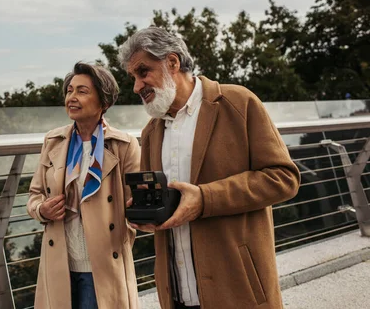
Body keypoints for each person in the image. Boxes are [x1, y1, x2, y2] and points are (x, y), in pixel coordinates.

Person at [118, 27, 300, 309]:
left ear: (172, 62)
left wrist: (205, 199)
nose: (137, 86)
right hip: (177, 294)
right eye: (133, 77)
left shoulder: (238, 102)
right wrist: (150, 212)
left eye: (143, 72)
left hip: (239, 290)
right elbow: (167, 204)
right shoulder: (152, 131)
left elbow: (284, 178)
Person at [27, 62, 141, 309]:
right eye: (69, 90)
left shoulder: (124, 145)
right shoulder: (53, 142)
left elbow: (139, 204)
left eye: (82, 91)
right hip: (60, 262)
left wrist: (127, 233)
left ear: (103, 102)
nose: (72, 97)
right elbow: (34, 194)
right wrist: (41, 210)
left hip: (103, 263)